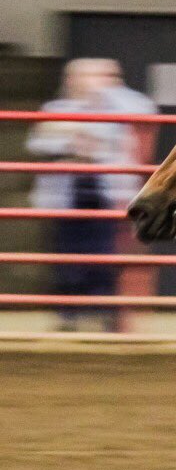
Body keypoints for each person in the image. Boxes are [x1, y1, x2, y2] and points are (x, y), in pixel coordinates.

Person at [26, 58, 157, 331]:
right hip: (67, 197)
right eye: (80, 76)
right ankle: (69, 315)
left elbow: (141, 111)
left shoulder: (123, 105)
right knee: (66, 258)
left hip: (107, 195)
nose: (86, 82)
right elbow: (38, 143)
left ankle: (104, 313)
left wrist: (81, 127)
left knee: (106, 257)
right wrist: (74, 141)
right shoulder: (56, 108)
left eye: (96, 76)